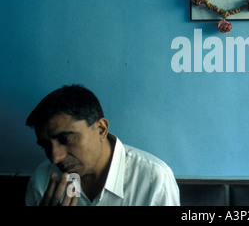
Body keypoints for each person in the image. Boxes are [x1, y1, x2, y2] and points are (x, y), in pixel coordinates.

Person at [24, 84, 180, 206]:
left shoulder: (154, 178)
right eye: (45, 146)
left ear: (101, 129)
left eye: (66, 139)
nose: (55, 158)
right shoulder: (43, 179)